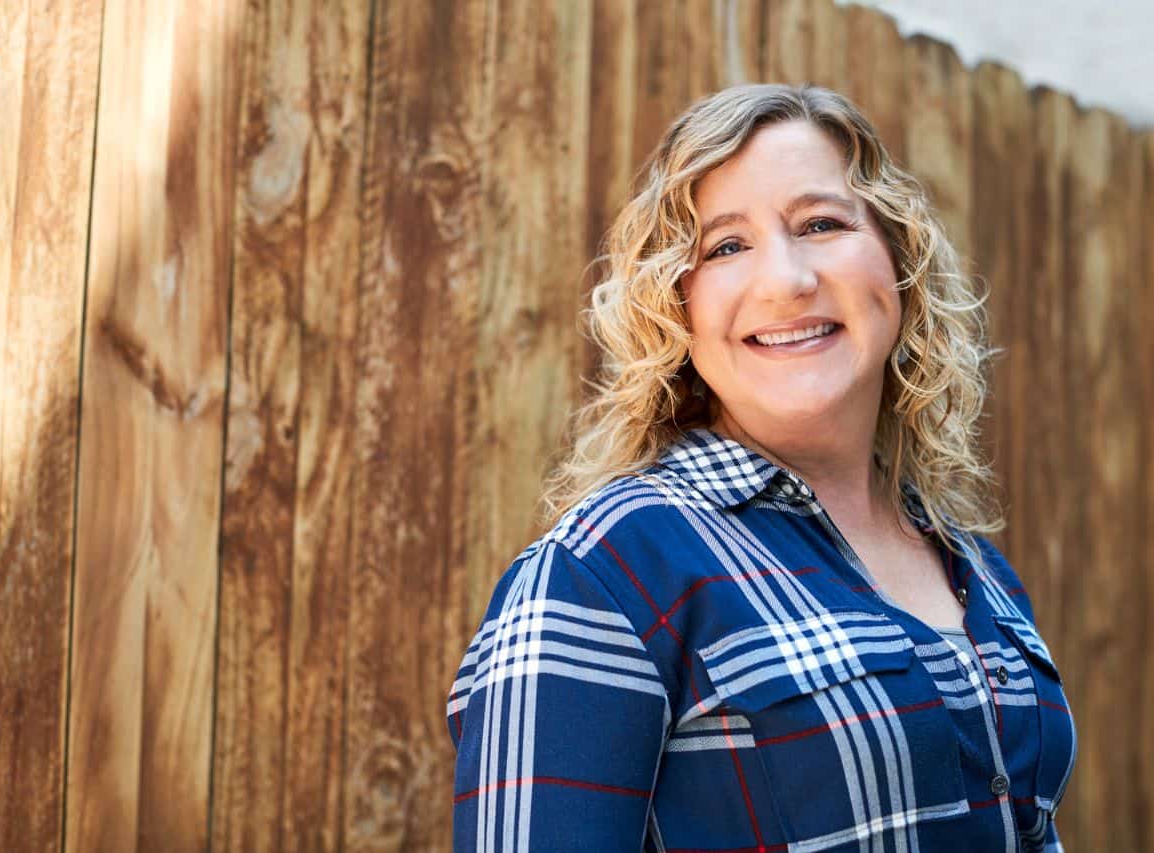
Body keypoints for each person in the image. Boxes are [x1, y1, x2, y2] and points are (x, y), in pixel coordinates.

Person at [446, 83, 1076, 852]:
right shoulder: (604, 572)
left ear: (898, 265)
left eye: (821, 223)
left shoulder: (975, 567)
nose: (786, 279)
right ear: (675, 307)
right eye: (726, 247)